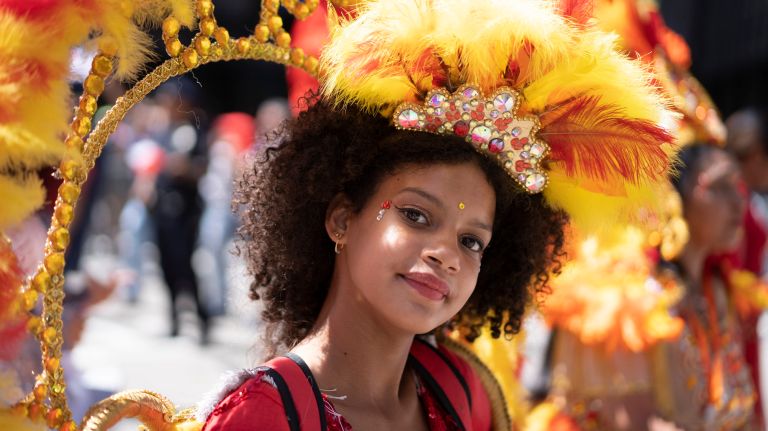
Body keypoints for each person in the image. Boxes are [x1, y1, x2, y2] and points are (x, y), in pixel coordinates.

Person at [197, 0, 676, 429]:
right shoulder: (262, 415)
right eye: (416, 216)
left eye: (472, 242)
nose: (448, 255)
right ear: (342, 219)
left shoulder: (462, 390)